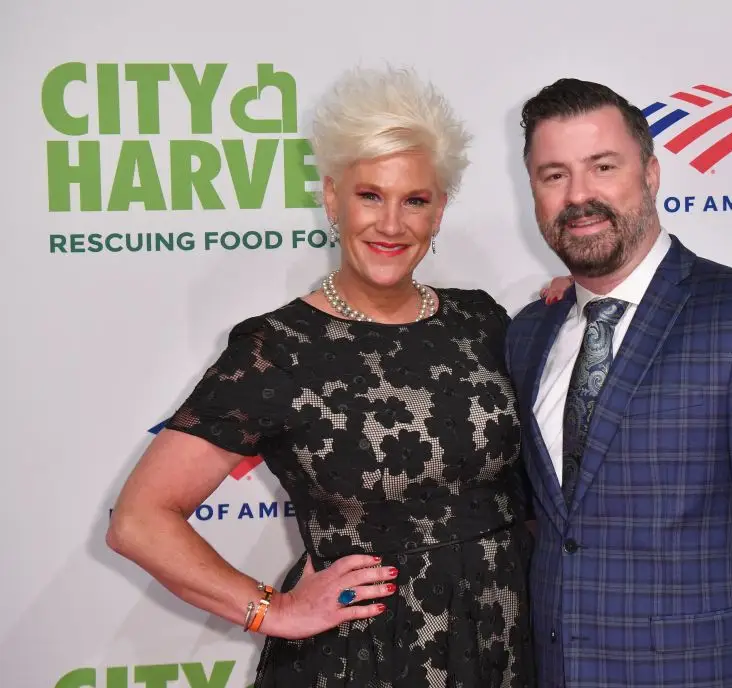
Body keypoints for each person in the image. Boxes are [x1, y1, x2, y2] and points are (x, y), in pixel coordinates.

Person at [106, 66, 570, 688]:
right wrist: (272, 609)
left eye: (415, 200)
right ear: (331, 197)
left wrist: (577, 306)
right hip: (365, 657)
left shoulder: (480, 318)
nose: (391, 224)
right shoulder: (278, 349)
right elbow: (139, 520)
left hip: (506, 641)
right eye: (369, 195)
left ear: (439, 212)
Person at [505, 78, 732, 687]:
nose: (579, 196)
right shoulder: (529, 333)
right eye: (553, 175)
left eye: (603, 166)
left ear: (652, 173)